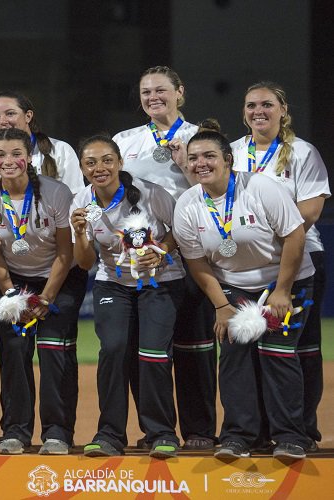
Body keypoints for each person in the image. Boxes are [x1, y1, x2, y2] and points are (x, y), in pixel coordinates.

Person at [173, 121, 315, 462]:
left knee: (277, 355)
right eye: (193, 158)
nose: (200, 163)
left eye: (209, 156)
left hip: (283, 280)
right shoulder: (187, 204)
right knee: (235, 356)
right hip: (232, 286)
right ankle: (238, 436)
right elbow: (198, 264)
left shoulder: (261, 187)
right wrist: (221, 306)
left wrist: (282, 290)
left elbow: (295, 237)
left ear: (228, 160)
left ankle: (289, 437)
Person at [113, 66, 215, 450]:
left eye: (161, 90)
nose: (153, 96)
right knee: (146, 349)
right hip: (142, 258)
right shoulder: (126, 140)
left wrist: (185, 166)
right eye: (146, 91)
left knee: (194, 347)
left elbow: (216, 192)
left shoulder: (200, 138)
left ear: (180, 92)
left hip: (192, 254)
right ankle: (155, 430)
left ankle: (201, 430)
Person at [0, 128, 87, 455]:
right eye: (1, 155)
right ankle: (15, 431)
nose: (9, 161)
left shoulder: (56, 193)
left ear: (29, 158)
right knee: (13, 354)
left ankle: (57, 433)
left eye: (15, 154)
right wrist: (11, 295)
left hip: (58, 279)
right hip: (13, 281)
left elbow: (66, 254)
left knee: (54, 354)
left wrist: (46, 298)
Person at [70, 135, 185, 458]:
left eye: (107, 160)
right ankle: (109, 434)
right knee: (114, 349)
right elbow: (85, 262)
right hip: (113, 284)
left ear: (120, 163)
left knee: (152, 354)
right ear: (82, 168)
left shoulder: (150, 193)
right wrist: (79, 233)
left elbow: (181, 229)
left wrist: (161, 251)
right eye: (91, 162)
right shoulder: (81, 201)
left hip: (160, 282)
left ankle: (161, 433)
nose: (100, 167)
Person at [230, 82, 330, 450]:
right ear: (243, 112)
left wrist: (270, 236)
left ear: (283, 110)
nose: (259, 111)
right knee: (248, 347)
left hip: (300, 256)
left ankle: (302, 430)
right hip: (245, 264)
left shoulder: (302, 153)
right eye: (251, 104)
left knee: (299, 348)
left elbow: (312, 209)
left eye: (267, 104)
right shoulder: (232, 153)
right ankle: (255, 431)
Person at [0, 91, 84, 197]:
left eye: (10, 114)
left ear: (28, 116)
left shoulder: (60, 150)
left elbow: (75, 199)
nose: (3, 122)